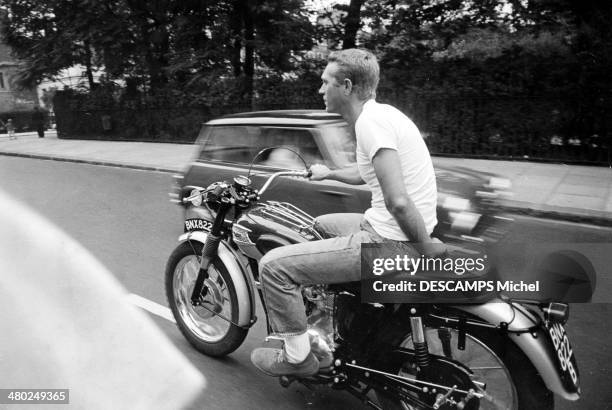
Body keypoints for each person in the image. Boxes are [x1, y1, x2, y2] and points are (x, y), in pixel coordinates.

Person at [251, 49, 441, 377]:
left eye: (326, 83)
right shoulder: (379, 116)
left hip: (393, 241)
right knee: (318, 226)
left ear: (348, 86)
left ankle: (298, 359)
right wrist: (329, 173)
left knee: (273, 267)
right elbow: (366, 173)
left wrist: (425, 249)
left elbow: (397, 201)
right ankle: (335, 321)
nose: (320, 90)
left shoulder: (370, 123)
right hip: (388, 229)